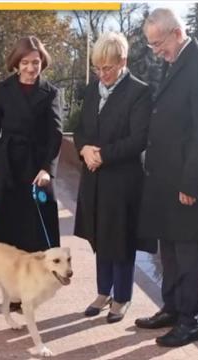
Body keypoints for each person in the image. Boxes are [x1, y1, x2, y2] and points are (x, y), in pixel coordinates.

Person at [135, 8, 198, 347]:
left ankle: (190, 320)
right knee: (168, 252)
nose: (156, 51)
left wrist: (192, 184)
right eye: (152, 46)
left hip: (186, 185)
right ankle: (171, 308)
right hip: (164, 182)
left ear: (176, 33)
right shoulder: (175, 63)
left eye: (158, 44)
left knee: (186, 255)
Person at [73, 32, 155, 324]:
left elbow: (139, 139)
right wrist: (83, 149)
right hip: (94, 178)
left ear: (123, 61)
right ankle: (102, 292)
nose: (101, 74)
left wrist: (102, 155)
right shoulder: (94, 89)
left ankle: (121, 297)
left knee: (120, 240)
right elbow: (80, 127)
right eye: (97, 68)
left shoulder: (139, 91)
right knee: (99, 234)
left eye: (107, 68)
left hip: (122, 180)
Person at [0, 36, 63, 311]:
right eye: (25, 63)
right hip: (7, 167)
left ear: (43, 63)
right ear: (16, 64)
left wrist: (47, 170)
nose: (31, 68)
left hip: (36, 168)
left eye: (36, 62)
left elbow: (56, 135)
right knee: (7, 228)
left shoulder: (51, 92)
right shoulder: (3, 90)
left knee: (35, 231)